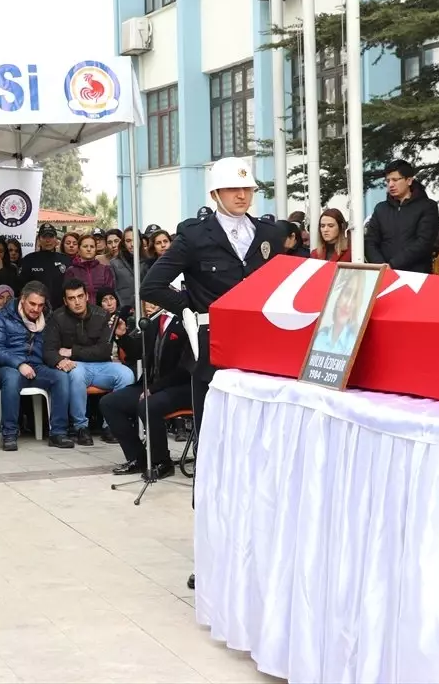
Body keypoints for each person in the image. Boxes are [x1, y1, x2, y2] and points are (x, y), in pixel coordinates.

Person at [140, 157, 285, 590]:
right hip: (213, 358)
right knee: (215, 455)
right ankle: (209, 557)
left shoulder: (270, 234)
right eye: (233, 190)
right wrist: (189, 309)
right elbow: (152, 285)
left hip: (261, 357)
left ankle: (257, 553)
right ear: (216, 195)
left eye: (248, 190)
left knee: (258, 455)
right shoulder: (194, 236)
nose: (242, 196)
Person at [102, 302, 191, 479]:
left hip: (180, 387)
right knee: (109, 403)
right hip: (153, 385)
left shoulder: (186, 321)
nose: (149, 305)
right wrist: (123, 336)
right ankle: (138, 458)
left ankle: (162, 462)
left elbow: (185, 369)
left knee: (148, 405)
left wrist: (153, 389)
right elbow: (137, 353)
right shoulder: (153, 322)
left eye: (154, 300)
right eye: (147, 301)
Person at [43, 279, 135, 446]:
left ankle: (111, 425)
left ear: (87, 296)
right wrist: (59, 360)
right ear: (65, 301)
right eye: (71, 298)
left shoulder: (101, 314)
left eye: (80, 296)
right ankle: (81, 428)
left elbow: (104, 351)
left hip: (101, 365)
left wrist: (72, 352)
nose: (77, 302)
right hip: (76, 366)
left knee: (127, 374)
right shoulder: (57, 317)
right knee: (76, 374)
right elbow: (49, 350)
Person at [0, 281, 71, 451]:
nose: (36, 309)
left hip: (37, 366)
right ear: (23, 299)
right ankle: (10, 434)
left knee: (61, 377)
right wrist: (19, 364)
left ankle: (58, 433)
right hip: (8, 366)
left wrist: (58, 359)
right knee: (12, 378)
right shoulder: (1, 317)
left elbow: (51, 347)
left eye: (40, 305)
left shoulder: (47, 318)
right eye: (32, 304)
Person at [364, 159, 439, 274]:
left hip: (416, 276)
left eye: (395, 180)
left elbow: (424, 242)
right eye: (388, 180)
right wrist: (381, 266)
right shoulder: (380, 209)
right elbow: (370, 242)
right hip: (384, 275)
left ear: (409, 180)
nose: (390, 184)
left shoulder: (427, 206)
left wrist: (393, 265)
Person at [17, 223, 71, 307]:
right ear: (38, 239)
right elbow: (22, 287)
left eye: (51, 236)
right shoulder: (29, 260)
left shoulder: (65, 260)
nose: (48, 240)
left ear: (56, 239)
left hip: (61, 310)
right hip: (36, 309)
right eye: (44, 237)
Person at [63, 235, 115, 301]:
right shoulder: (71, 271)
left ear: (95, 249)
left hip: (101, 310)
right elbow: (68, 295)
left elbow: (110, 293)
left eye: (92, 246)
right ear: (78, 249)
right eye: (85, 246)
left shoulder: (105, 270)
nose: (89, 249)